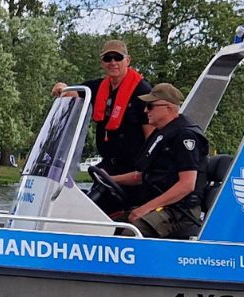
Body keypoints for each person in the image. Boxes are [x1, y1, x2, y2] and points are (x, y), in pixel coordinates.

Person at [104, 83, 208, 238]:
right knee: (107, 226)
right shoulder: (160, 134)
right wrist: (107, 179)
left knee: (130, 233)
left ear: (169, 108)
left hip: (179, 210)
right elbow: (139, 176)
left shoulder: (185, 136)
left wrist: (145, 208)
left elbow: (186, 185)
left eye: (150, 106)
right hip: (161, 205)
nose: (145, 110)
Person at [51, 40, 152, 175]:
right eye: (107, 58)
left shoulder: (142, 91)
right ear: (102, 62)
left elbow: (151, 135)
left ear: (127, 60)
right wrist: (61, 87)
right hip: (108, 165)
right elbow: (71, 92)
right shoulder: (97, 87)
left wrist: (144, 171)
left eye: (118, 57)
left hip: (132, 168)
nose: (113, 62)